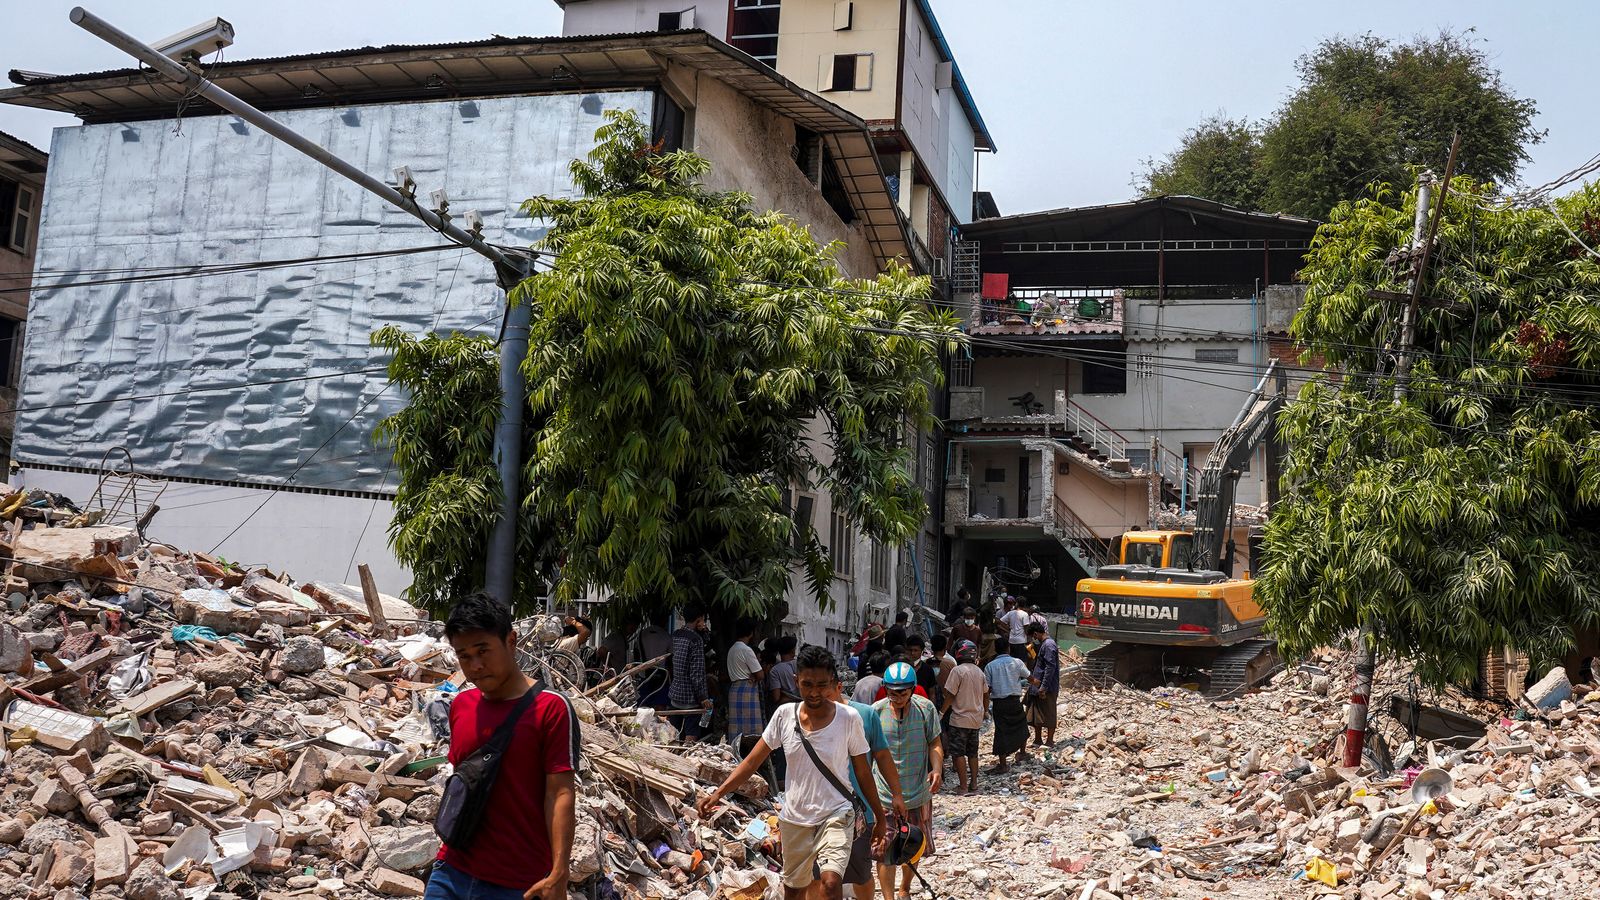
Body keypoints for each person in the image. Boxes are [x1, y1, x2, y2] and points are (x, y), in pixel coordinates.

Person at [699, 646, 895, 900]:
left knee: (831, 882)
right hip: (795, 819)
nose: (815, 692)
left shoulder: (849, 718)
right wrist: (718, 794)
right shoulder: (784, 716)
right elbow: (751, 762)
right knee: (794, 890)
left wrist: (879, 817)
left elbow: (863, 771)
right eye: (807, 684)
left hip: (837, 814)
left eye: (822, 685)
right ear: (796, 681)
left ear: (833, 683)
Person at [431, 592, 579, 900]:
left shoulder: (551, 708)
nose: (475, 666)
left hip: (519, 883)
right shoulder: (461, 705)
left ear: (511, 641)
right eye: (464, 656)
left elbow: (560, 792)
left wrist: (559, 874)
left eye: (483, 650)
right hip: (452, 870)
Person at [872, 662, 943, 900]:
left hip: (917, 791)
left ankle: (905, 887)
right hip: (884, 794)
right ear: (886, 689)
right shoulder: (876, 712)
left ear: (912, 689)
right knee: (885, 850)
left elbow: (934, 743)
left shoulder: (926, 709)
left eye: (903, 692)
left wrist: (936, 769)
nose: (898, 697)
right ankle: (889, 897)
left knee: (913, 845)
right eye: (893, 692)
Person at [837, 680, 905, 900]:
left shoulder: (865, 715)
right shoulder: (801, 716)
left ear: (837, 686)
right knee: (823, 879)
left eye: (822, 687)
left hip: (858, 811)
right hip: (818, 812)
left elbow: (882, 756)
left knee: (861, 874)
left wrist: (896, 794)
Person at [940, 641, 987, 795]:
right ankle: (974, 785)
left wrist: (941, 712)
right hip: (975, 719)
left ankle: (963, 786)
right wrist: (985, 711)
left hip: (959, 719)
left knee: (958, 753)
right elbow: (986, 693)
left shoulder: (957, 671)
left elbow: (950, 695)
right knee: (972, 753)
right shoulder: (979, 672)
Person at [669, 605, 714, 741]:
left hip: (675, 693)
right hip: (691, 698)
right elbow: (697, 672)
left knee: (673, 733)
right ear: (699, 618)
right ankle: (688, 757)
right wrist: (703, 697)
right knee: (691, 733)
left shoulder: (675, 634)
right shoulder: (696, 640)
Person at [984, 648, 1032, 773]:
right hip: (1014, 701)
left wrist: (984, 707)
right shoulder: (1017, 662)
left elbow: (987, 689)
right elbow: (1029, 677)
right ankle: (1022, 753)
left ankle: (1003, 764)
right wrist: (1039, 685)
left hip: (999, 704)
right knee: (1021, 726)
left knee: (1001, 731)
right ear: (1008, 648)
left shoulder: (990, 666)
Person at [727, 618, 765, 747]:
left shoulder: (732, 649)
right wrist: (754, 676)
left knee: (736, 728)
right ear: (751, 633)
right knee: (751, 731)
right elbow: (760, 674)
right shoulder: (747, 650)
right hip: (747, 690)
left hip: (734, 689)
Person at [1025, 622, 1061, 748]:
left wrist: (1043, 687)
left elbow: (1050, 668)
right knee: (1037, 713)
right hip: (1038, 685)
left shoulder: (1049, 645)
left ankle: (1050, 741)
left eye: (1033, 636)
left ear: (1035, 634)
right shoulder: (1044, 645)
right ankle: (1038, 740)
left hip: (1047, 687)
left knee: (1049, 712)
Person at [767, 635, 800, 706]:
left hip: (786, 707)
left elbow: (776, 698)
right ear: (792, 650)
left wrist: (788, 697)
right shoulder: (801, 664)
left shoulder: (775, 670)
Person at [998, 597, 1029, 661]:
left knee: (1012, 660)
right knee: (1023, 660)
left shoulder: (1010, 613)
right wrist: (1028, 639)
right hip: (1021, 641)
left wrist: (1009, 629)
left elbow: (1000, 621)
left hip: (1011, 640)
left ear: (1017, 604)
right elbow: (1026, 629)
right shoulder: (1025, 614)